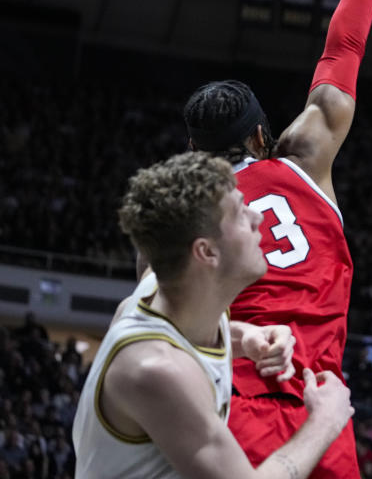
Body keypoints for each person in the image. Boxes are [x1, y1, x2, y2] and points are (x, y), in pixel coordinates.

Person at [182, 0, 372, 479]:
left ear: (196, 152)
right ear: (262, 133)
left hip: (235, 392)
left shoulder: (185, 205)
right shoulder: (304, 152)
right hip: (320, 401)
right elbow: (344, 47)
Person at [72, 152, 354, 478]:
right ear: (205, 251)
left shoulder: (169, 291)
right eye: (238, 213)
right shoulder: (156, 371)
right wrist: (324, 422)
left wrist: (244, 336)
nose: (257, 217)